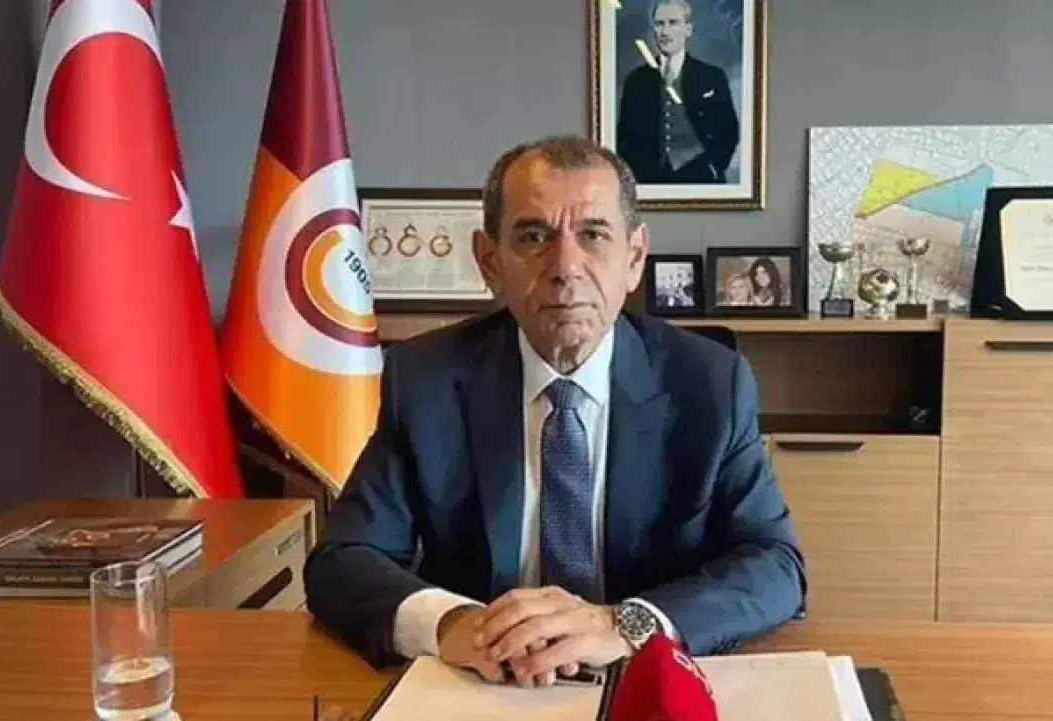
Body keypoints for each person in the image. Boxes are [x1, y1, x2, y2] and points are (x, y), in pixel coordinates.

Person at [303, 134, 806, 687]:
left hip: (646, 681)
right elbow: (342, 560)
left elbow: (774, 564)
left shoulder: (709, 384)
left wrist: (625, 624)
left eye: (593, 235)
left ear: (634, 258)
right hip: (488, 684)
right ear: (489, 261)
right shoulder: (425, 380)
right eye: (534, 237)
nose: (566, 267)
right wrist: (454, 625)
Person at [616, 0, 740, 184]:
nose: (665, 32)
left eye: (673, 23)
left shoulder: (712, 77)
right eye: (659, 24)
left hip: (702, 181)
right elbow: (625, 139)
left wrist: (713, 168)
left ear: (688, 29)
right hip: (649, 183)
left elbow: (729, 131)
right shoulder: (636, 81)